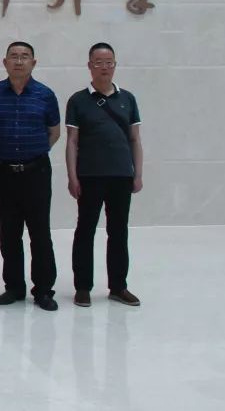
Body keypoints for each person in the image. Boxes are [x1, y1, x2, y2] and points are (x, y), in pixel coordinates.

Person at [66, 42, 144, 308]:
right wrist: (72, 176)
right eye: (98, 62)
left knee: (118, 231)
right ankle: (82, 287)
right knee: (85, 230)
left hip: (121, 175)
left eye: (109, 62)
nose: (104, 67)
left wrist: (137, 173)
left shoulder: (127, 99)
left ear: (115, 65)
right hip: (90, 176)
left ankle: (118, 287)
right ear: (89, 66)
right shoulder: (78, 100)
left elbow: (135, 139)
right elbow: (72, 141)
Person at [0, 41, 60, 312]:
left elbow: (54, 131)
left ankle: (43, 290)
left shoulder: (45, 94)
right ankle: (14, 287)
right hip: (4, 172)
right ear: (5, 62)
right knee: (9, 232)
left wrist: (34, 153)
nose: (19, 61)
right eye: (14, 56)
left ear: (33, 62)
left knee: (40, 232)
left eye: (25, 56)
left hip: (36, 171)